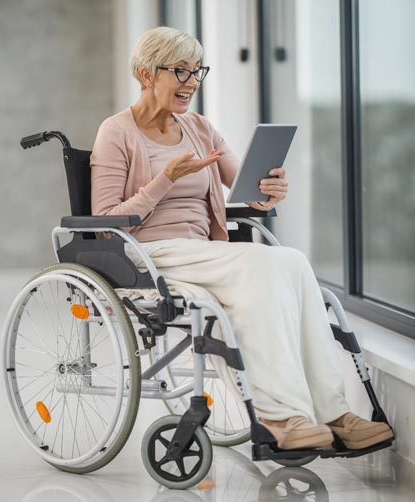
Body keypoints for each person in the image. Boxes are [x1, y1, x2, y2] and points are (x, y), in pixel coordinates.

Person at [90, 26, 393, 451]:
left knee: (291, 261)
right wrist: (164, 180)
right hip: (148, 252)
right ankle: (279, 418)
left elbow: (244, 190)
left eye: (198, 71)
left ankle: (334, 412)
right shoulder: (116, 132)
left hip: (201, 251)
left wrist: (267, 189)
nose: (192, 81)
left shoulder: (199, 128)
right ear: (146, 73)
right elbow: (104, 222)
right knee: (260, 263)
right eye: (181, 71)